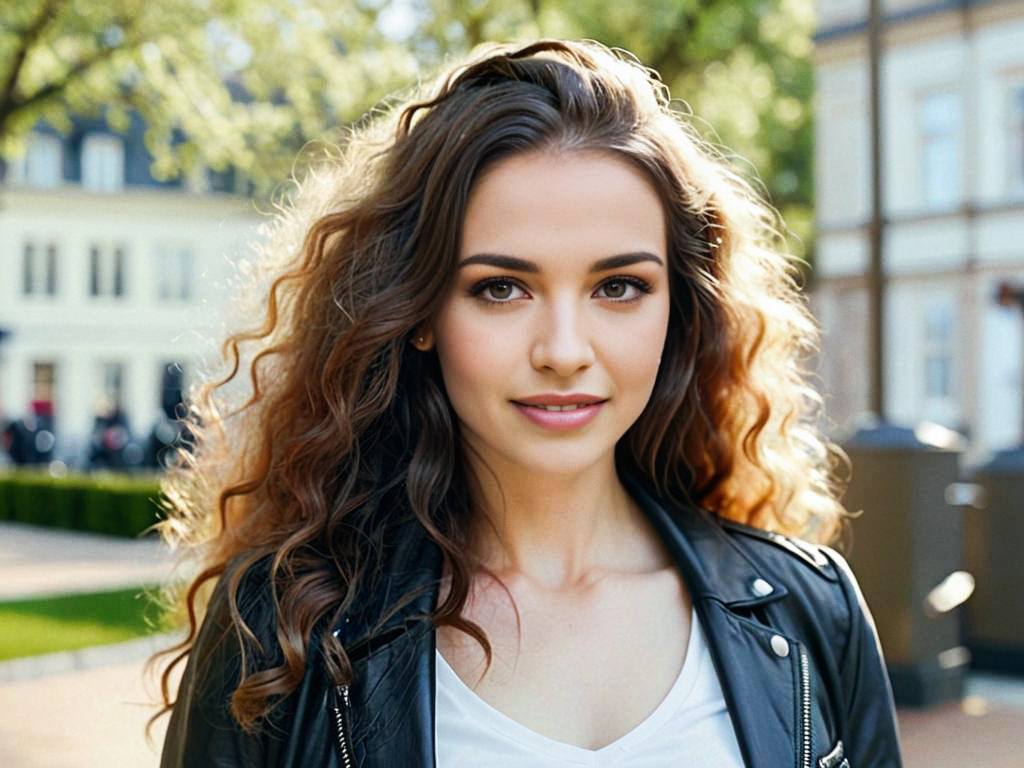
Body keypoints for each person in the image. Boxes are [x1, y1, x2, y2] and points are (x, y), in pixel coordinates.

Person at [153, 38, 902, 768]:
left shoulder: (810, 609)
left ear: (681, 310)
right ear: (416, 315)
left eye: (619, 287)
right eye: (501, 288)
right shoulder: (281, 626)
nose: (565, 349)